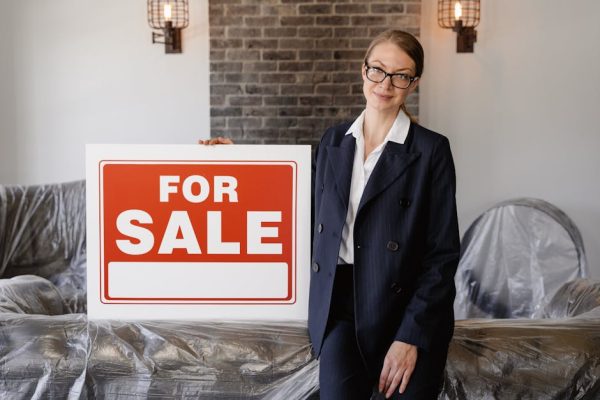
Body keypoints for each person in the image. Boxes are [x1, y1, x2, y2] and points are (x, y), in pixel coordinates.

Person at [202, 29, 459, 400]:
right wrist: (240, 160)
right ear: (363, 71)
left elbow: (442, 254)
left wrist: (410, 337)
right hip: (340, 307)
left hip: (406, 310)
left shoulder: (431, 150)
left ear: (413, 83)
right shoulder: (334, 141)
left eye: (400, 75)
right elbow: (297, 198)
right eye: (378, 70)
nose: (385, 84)